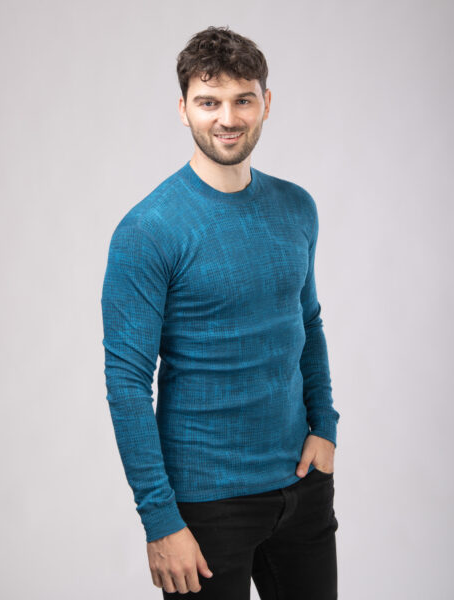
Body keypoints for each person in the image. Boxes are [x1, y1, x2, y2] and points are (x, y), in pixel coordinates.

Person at [101, 25, 340, 599]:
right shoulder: (148, 230)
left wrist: (325, 426)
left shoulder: (296, 207)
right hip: (205, 505)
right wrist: (160, 519)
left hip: (301, 486)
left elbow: (306, 322)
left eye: (242, 100)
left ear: (266, 103)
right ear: (183, 108)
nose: (227, 118)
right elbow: (127, 383)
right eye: (209, 102)